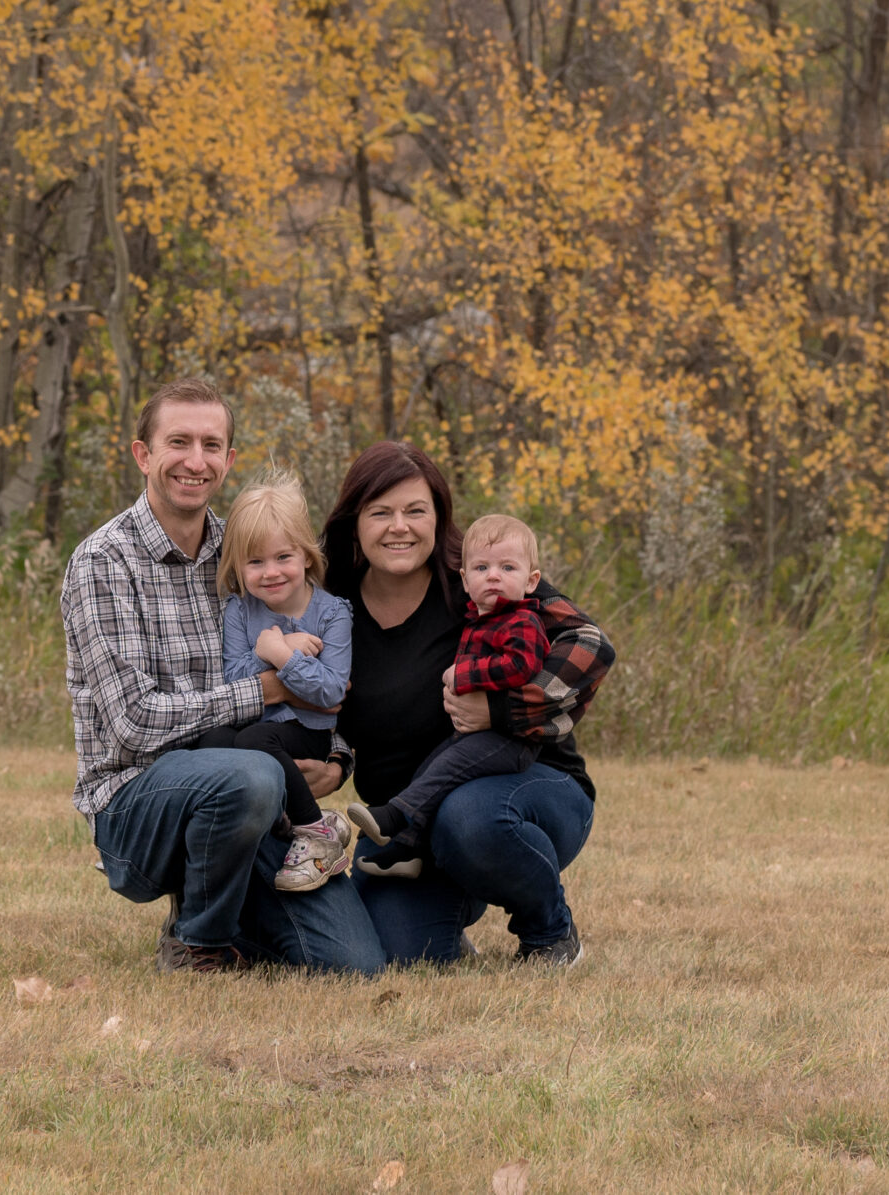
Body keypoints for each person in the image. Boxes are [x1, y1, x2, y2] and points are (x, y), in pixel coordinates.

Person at [62, 379, 382, 975]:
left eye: (212, 445)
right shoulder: (104, 562)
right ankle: (197, 939)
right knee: (251, 774)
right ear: (143, 455)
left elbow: (325, 672)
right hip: (139, 798)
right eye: (178, 442)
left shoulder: (252, 552)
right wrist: (265, 689)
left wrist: (336, 759)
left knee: (352, 964)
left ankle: (236, 904)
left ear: (229, 460)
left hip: (256, 783)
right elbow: (132, 726)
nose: (195, 460)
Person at [324, 444, 615, 967]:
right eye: (380, 512)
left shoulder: (481, 577)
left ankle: (550, 932)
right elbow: (323, 705)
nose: (400, 527)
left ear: (439, 517)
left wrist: (502, 711)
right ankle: (452, 904)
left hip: (523, 794)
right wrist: (334, 757)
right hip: (404, 821)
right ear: (353, 521)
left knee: (472, 820)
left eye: (416, 510)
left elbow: (591, 645)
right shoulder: (331, 604)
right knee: (396, 954)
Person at [175, 473, 357, 891]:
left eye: (283, 558)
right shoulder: (240, 611)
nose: (270, 573)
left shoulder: (332, 614)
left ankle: (317, 834)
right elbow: (232, 677)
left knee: (255, 742)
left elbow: (331, 691)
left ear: (307, 556)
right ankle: (233, 841)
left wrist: (282, 655)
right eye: (255, 562)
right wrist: (268, 647)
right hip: (254, 725)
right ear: (238, 566)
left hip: (305, 734)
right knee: (214, 740)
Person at [346, 512, 549, 877]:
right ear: (465, 580)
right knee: (431, 768)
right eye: (482, 567)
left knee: (446, 769)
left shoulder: (523, 620)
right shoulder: (479, 618)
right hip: (475, 736)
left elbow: (522, 665)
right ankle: (408, 850)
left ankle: (394, 815)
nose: (493, 576)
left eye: (507, 567)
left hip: (510, 738)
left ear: (532, 580)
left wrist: (466, 675)